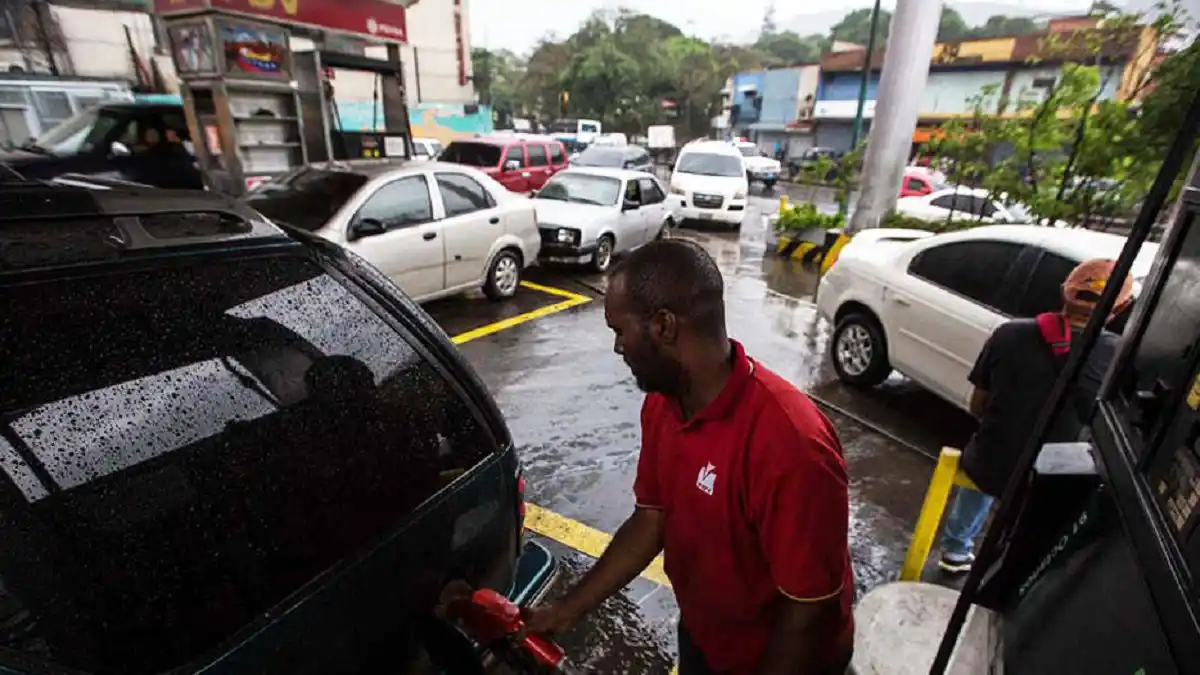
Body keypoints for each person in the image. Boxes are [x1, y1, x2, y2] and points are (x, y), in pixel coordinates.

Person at [523, 240, 855, 674]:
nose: (618, 348)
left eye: (620, 331)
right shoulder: (663, 404)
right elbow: (651, 520)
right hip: (704, 638)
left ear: (663, 326)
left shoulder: (792, 443)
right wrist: (564, 611)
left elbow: (809, 611)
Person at [940, 258, 1134, 574]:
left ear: (1063, 291)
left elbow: (979, 404)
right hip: (1049, 480)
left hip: (990, 462)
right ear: (1121, 307)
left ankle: (955, 551)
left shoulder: (1009, 333)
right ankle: (1004, 568)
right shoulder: (1120, 354)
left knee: (983, 457)